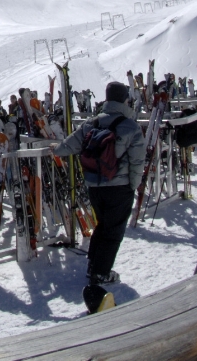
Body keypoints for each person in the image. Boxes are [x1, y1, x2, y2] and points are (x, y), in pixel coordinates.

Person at [53, 81, 146, 286]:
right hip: (119, 187)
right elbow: (138, 161)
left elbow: (67, 146)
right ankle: (100, 273)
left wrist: (55, 149)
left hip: (94, 185)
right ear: (124, 100)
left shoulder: (92, 123)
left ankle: (94, 265)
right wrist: (133, 185)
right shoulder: (130, 126)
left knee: (102, 226)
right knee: (114, 231)